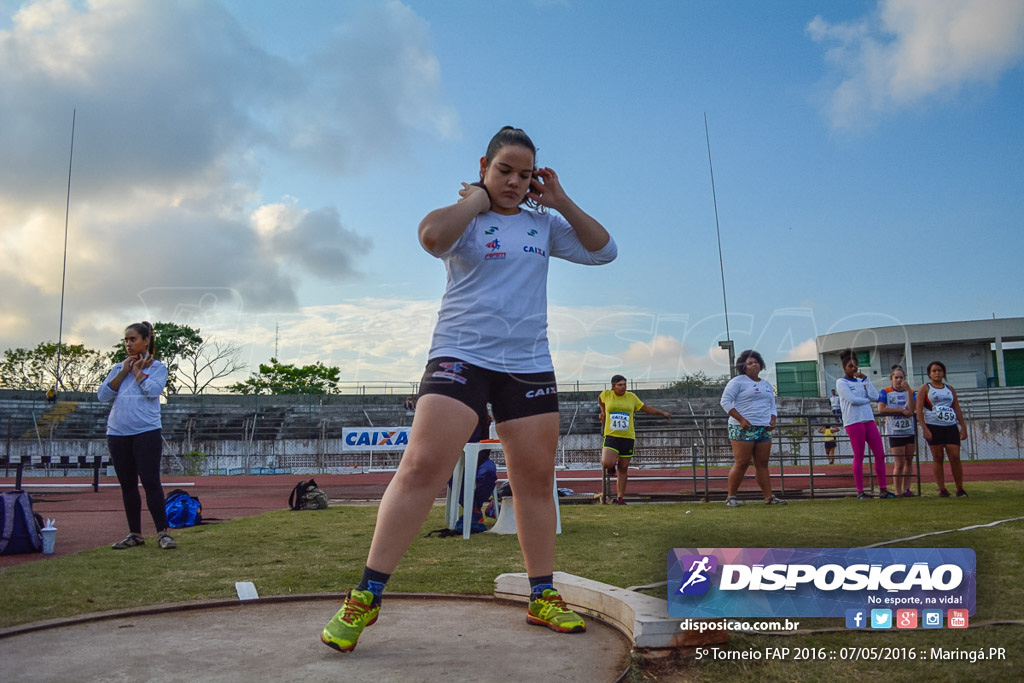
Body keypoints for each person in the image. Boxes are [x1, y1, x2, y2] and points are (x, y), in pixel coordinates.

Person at [321, 126, 617, 653]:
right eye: (504, 169)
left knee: (534, 479)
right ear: (484, 165)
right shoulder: (465, 219)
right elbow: (432, 237)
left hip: (526, 364)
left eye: (525, 174)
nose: (514, 181)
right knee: (421, 468)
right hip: (461, 356)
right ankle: (365, 594)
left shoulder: (543, 225)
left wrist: (562, 199)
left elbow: (604, 251)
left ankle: (542, 594)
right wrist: (479, 197)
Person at [96, 321, 176, 550]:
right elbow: (102, 396)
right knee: (127, 485)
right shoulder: (117, 367)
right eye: (126, 340)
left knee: (151, 482)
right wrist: (124, 371)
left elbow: (153, 391)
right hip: (118, 433)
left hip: (146, 432)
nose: (128, 344)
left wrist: (139, 372)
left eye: (133, 339)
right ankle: (135, 534)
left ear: (145, 341)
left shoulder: (158, 368)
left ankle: (163, 533)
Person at [719, 350, 786, 507]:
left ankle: (769, 497)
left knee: (762, 463)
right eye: (750, 363)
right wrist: (740, 419)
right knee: (742, 462)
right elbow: (725, 402)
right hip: (743, 427)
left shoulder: (766, 384)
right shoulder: (738, 382)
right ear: (744, 367)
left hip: (763, 428)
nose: (754, 364)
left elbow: (772, 405)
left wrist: (773, 418)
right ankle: (731, 497)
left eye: (756, 361)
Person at [598, 375, 670, 505]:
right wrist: (603, 411)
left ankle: (620, 498)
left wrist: (661, 413)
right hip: (611, 435)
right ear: (613, 386)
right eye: (620, 384)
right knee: (606, 463)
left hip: (628, 436)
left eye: (625, 384)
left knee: (623, 468)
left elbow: (645, 408)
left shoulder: (631, 397)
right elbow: (600, 400)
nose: (623, 387)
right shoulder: (606, 394)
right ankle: (611, 466)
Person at [836, 350, 894, 500]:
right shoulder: (841, 382)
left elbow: (875, 396)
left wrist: (867, 380)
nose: (854, 369)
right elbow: (853, 400)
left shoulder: (862, 381)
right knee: (859, 456)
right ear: (844, 367)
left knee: (880, 454)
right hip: (854, 421)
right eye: (850, 366)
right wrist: (868, 400)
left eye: (855, 366)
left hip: (868, 419)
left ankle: (883, 489)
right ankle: (860, 491)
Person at [916, 361, 969, 498]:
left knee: (955, 457)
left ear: (943, 372)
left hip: (950, 426)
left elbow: (956, 407)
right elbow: (919, 409)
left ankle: (960, 488)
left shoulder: (950, 389)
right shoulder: (925, 388)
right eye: (934, 371)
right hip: (933, 426)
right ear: (929, 374)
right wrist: (924, 428)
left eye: (939, 370)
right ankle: (942, 488)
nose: (937, 373)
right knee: (938, 457)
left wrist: (963, 426)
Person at [877, 365, 917, 497]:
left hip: (908, 430)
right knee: (899, 463)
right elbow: (881, 409)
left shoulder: (910, 391)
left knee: (909, 460)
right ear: (891, 379)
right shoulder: (885, 391)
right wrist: (899, 410)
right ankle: (897, 490)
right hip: (895, 431)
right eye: (896, 377)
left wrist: (908, 392)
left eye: (901, 377)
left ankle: (907, 489)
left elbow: (912, 410)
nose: (899, 380)